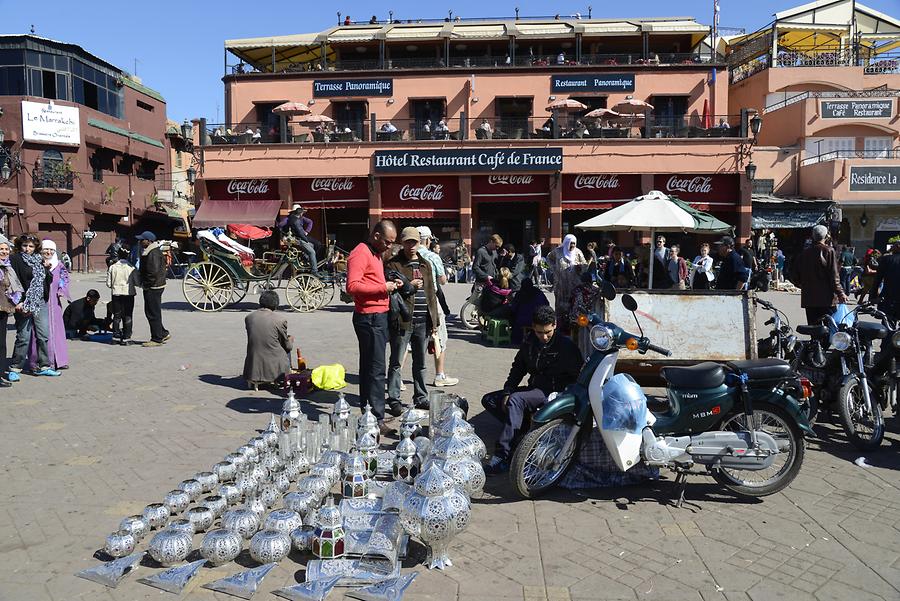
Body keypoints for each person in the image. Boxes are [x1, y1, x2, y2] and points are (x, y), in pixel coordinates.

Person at [480, 305, 583, 474]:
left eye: (547, 332)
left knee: (516, 400)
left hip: (553, 393)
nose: (543, 336)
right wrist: (508, 390)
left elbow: (577, 377)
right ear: (533, 327)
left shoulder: (567, 347)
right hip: (534, 389)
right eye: (539, 332)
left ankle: (503, 455)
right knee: (491, 400)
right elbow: (518, 368)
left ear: (555, 325)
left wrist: (563, 396)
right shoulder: (529, 342)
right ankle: (521, 433)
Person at [347, 220, 403, 435]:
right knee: (376, 370)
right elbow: (352, 286)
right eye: (388, 242)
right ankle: (376, 418)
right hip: (369, 317)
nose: (390, 246)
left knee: (370, 367)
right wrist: (383, 287)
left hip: (376, 316)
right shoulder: (361, 252)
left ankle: (370, 412)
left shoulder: (376, 253)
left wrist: (388, 284)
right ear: (377, 236)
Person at [386, 227, 441, 411]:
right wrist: (409, 285)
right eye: (408, 242)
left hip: (423, 321)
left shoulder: (425, 264)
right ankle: (393, 398)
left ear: (420, 243)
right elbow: (391, 288)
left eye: (414, 242)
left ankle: (421, 396)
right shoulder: (394, 264)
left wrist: (435, 322)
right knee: (396, 361)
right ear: (402, 242)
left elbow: (432, 294)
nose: (411, 246)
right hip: (402, 320)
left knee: (421, 363)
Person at [9, 234, 58, 376]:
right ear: (20, 246)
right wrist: (18, 302)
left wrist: (47, 270)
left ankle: (44, 365)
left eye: (31, 246)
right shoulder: (15, 260)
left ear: (36, 247)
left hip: (40, 302)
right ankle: (15, 367)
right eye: (25, 245)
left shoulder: (39, 260)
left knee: (43, 335)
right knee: (23, 336)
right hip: (24, 303)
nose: (27, 249)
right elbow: (14, 282)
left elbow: (46, 281)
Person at [416, 226, 459, 388]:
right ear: (427, 240)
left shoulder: (408, 255)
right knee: (439, 337)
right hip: (431, 300)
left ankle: (396, 380)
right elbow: (442, 280)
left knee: (408, 342)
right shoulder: (432, 256)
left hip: (412, 300)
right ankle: (439, 375)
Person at [793, 225, 846, 324]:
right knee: (830, 329)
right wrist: (840, 293)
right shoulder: (829, 251)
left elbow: (795, 276)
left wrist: (805, 286)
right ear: (826, 236)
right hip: (826, 299)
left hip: (809, 299)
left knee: (814, 329)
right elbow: (834, 276)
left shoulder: (804, 253)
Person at [243, 290, 293, 389]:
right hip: (273, 361)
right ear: (275, 304)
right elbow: (286, 345)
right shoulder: (280, 320)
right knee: (287, 348)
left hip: (253, 364)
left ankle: (255, 377)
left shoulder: (249, 318)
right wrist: (290, 340)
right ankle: (284, 375)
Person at [31, 240, 69, 369]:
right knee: (39, 332)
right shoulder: (35, 264)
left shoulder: (59, 265)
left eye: (51, 250)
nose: (48, 252)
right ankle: (38, 361)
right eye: (45, 249)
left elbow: (64, 278)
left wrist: (61, 290)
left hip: (55, 303)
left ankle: (60, 360)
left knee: (57, 331)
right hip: (40, 302)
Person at [137, 231, 170, 347]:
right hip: (155, 285)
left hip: (153, 286)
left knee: (152, 313)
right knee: (153, 311)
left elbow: (153, 272)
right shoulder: (150, 251)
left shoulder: (153, 253)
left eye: (142, 240)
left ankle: (156, 339)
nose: (140, 242)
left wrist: (146, 284)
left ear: (149, 241)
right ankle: (162, 332)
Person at [547, 234, 587, 326]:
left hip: (574, 284)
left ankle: (572, 326)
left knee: (573, 305)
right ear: (566, 242)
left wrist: (580, 267)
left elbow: (585, 264)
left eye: (574, 243)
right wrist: (554, 268)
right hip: (560, 284)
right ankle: (560, 326)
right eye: (570, 243)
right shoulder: (558, 251)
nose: (572, 245)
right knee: (560, 306)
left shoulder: (578, 252)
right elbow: (549, 258)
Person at [0, 236, 23, 385]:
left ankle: (1, 374)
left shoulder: (8, 267)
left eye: (6, 249)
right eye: (1, 249)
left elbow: (13, 288)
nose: (4, 252)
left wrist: (17, 301)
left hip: (3, 309)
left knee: (1, 343)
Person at [107, 246, 139, 344]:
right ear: (128, 255)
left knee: (117, 316)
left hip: (116, 294)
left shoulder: (112, 267)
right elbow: (137, 282)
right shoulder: (131, 268)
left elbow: (108, 284)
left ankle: (115, 337)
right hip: (128, 293)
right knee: (128, 315)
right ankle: (126, 337)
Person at [868, 237, 900, 322]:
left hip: (889, 298)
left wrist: (872, 297)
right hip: (890, 298)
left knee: (888, 326)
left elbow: (877, 279)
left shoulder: (887, 259)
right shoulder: (887, 259)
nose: (891, 248)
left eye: (893, 246)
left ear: (897, 247)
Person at [287, 205, 319, 276]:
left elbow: (309, 222)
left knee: (312, 245)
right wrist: (306, 239)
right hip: (299, 239)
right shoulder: (296, 220)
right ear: (300, 213)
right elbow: (300, 232)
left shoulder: (292, 218)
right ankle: (314, 270)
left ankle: (307, 260)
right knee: (312, 252)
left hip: (298, 238)